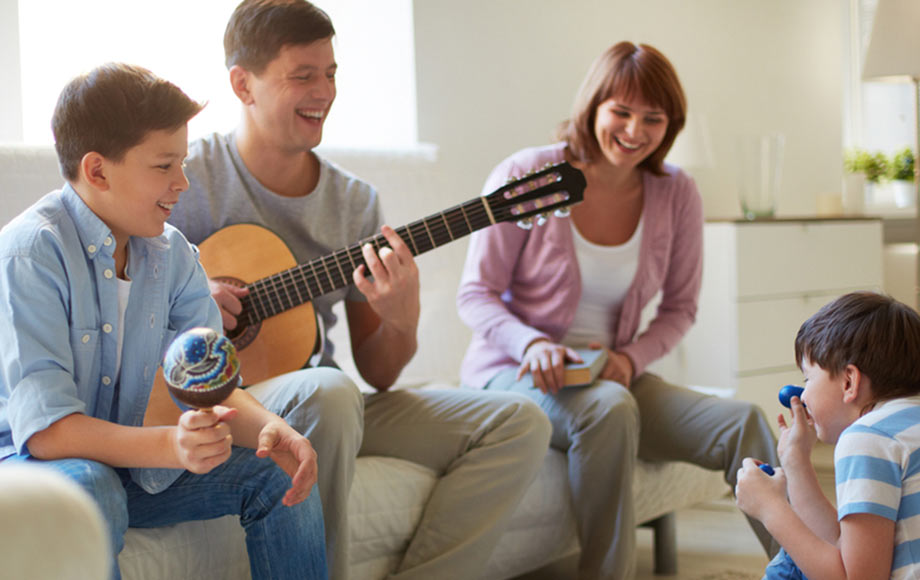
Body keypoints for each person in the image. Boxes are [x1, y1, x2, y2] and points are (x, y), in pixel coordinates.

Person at [165, 1, 552, 578]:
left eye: (331, 73)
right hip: (228, 404)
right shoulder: (184, 177)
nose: (324, 91)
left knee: (521, 422)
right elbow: (121, 297)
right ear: (242, 84)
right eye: (302, 75)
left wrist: (401, 317)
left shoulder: (354, 203)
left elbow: (381, 373)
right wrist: (192, 305)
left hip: (327, 406)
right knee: (330, 390)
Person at [456, 41, 779, 579]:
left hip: (613, 376)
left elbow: (680, 307)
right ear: (593, 106)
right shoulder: (529, 173)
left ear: (670, 125)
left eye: (653, 118)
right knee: (609, 408)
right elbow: (475, 294)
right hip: (514, 374)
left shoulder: (676, 193)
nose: (635, 130)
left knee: (742, 422)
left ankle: (808, 567)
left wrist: (629, 359)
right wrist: (531, 344)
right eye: (621, 112)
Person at [0, 63, 327, 580]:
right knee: (91, 485)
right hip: (27, 464)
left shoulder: (172, 253)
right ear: (98, 170)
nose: (182, 183)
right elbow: (47, 432)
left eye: (184, 162)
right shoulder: (31, 252)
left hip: (127, 457)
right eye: (163, 166)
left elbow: (214, 385)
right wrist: (169, 446)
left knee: (275, 475)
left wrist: (276, 431)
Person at [736, 291, 920, 579]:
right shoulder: (905, 428)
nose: (803, 393)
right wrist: (795, 462)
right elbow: (843, 546)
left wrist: (771, 509)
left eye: (807, 378)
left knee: (791, 564)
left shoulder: (868, 438)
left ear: (849, 381)